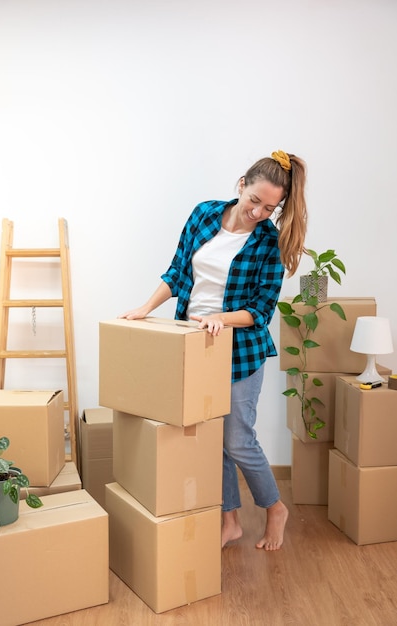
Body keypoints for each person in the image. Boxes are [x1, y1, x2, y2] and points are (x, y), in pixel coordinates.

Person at [120, 150, 307, 551]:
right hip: (194, 344)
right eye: (254, 200)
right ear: (241, 185)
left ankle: (275, 509)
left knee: (237, 440)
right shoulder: (204, 214)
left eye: (270, 208)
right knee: (209, 436)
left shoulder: (268, 243)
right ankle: (231, 521)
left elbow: (260, 309)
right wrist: (144, 309)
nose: (258, 212)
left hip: (240, 352)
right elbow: (178, 272)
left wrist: (223, 318)